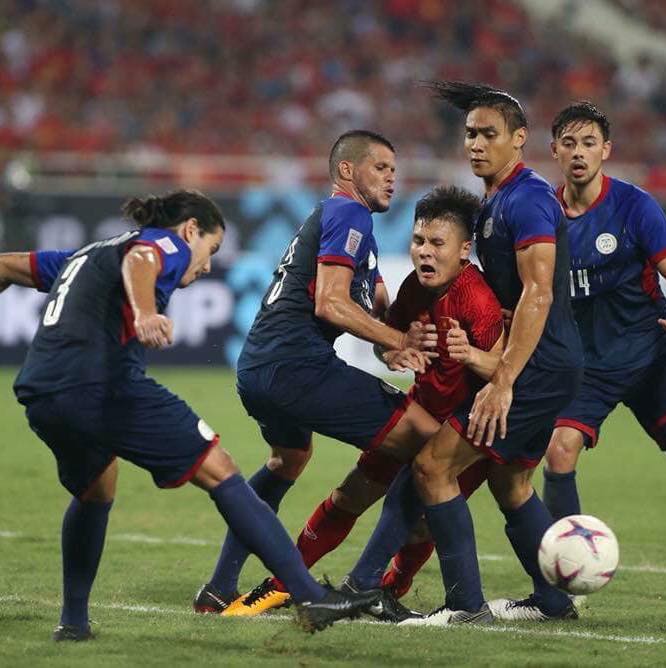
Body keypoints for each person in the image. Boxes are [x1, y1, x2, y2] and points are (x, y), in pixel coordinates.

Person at [0, 190, 380, 640]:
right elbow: (143, 259)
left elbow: (7, 265)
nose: (206, 265)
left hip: (42, 391)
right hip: (102, 386)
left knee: (96, 489)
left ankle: (73, 624)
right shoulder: (166, 243)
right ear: (191, 229)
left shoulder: (87, 253)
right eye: (211, 249)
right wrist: (145, 313)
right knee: (221, 469)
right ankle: (309, 595)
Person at [341, 82, 584, 626]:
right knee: (510, 483)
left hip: (535, 367)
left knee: (432, 466)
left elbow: (539, 292)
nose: (476, 143)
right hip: (545, 364)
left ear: (519, 139)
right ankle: (552, 599)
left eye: (489, 134)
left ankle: (466, 605)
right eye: (470, 133)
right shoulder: (496, 201)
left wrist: (503, 379)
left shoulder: (527, 198)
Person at [222, 185, 505, 617]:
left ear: (464, 249)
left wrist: (471, 356)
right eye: (418, 241)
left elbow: (502, 372)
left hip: (458, 432)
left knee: (422, 521)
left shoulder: (477, 299)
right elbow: (386, 343)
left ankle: (387, 589)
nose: (424, 252)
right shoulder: (413, 288)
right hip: (419, 411)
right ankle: (282, 586)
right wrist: (393, 352)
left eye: (437, 243)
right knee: (349, 495)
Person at [193, 131, 442, 621]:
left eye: (394, 170)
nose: (392, 178)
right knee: (427, 441)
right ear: (347, 171)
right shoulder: (348, 212)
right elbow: (330, 303)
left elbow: (365, 306)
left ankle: (219, 588)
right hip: (295, 366)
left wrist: (386, 343)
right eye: (380, 167)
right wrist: (399, 340)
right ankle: (370, 584)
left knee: (289, 459)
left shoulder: (347, 227)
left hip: (259, 366)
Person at [539, 102, 666, 521]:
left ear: (606, 150)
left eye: (589, 143)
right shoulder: (542, 215)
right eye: (569, 143)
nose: (579, 152)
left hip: (650, 352)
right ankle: (565, 562)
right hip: (587, 365)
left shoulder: (635, 206)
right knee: (559, 451)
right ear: (554, 150)